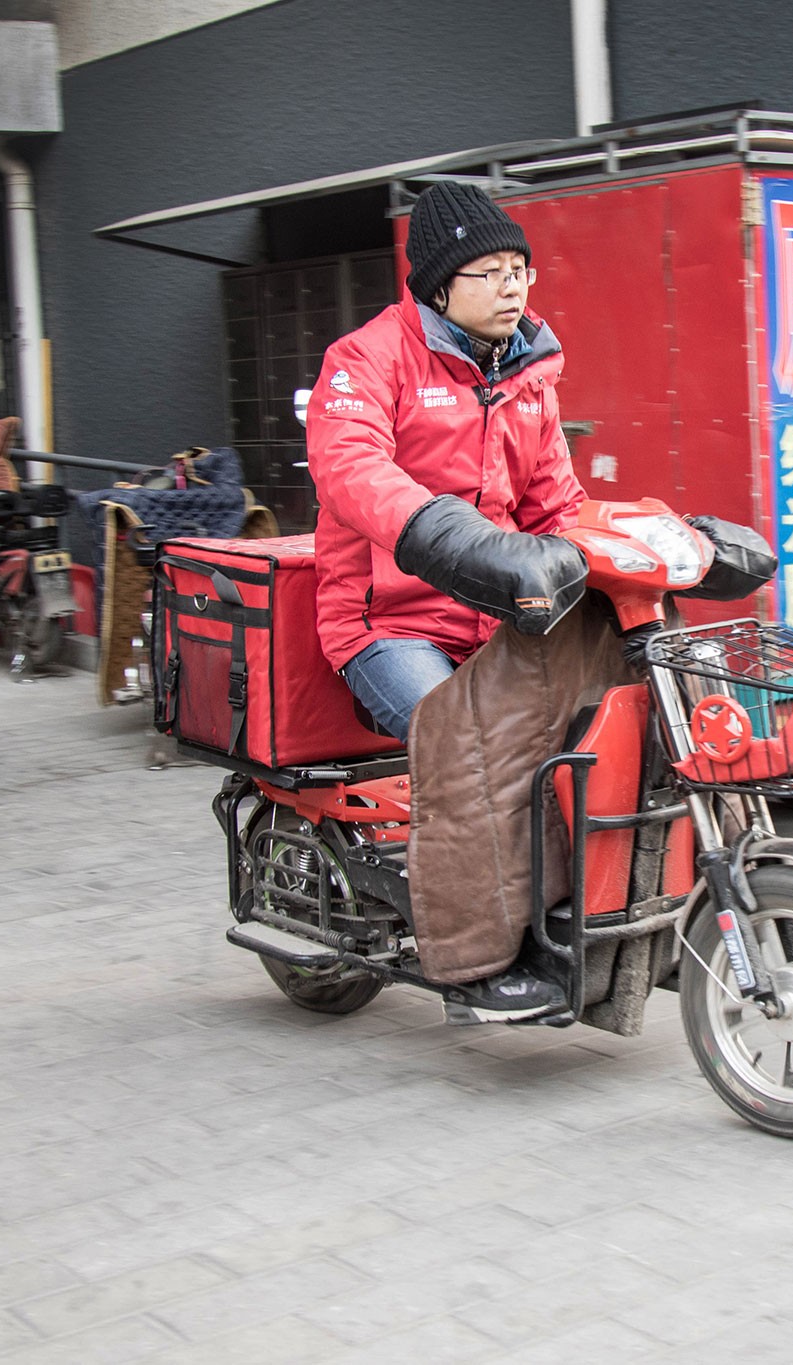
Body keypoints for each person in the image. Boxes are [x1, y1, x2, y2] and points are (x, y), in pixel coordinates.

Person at [304, 181, 590, 1016]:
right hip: (385, 622)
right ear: (437, 285)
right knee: (466, 752)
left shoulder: (529, 373)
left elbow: (556, 507)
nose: (513, 287)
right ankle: (472, 964)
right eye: (490, 271)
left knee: (585, 727)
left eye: (520, 270)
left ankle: (560, 910)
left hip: (495, 619)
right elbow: (352, 471)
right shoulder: (365, 360)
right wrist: (446, 534)